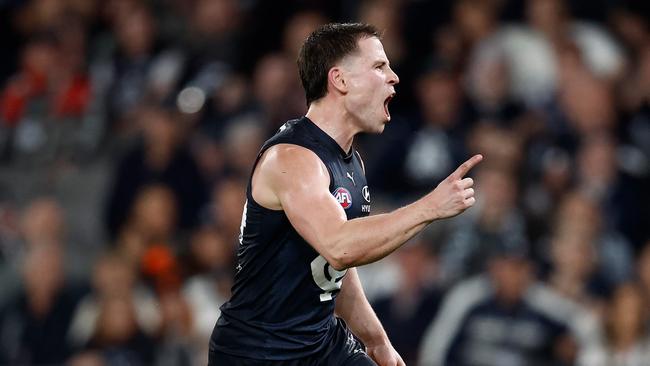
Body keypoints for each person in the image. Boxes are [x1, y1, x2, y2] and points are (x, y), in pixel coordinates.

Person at [209, 23, 482, 366]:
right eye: (379, 66)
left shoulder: (351, 162)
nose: (394, 77)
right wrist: (430, 207)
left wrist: (377, 341)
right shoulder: (292, 159)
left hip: (321, 343)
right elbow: (339, 246)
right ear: (339, 80)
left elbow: (335, 268)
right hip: (261, 351)